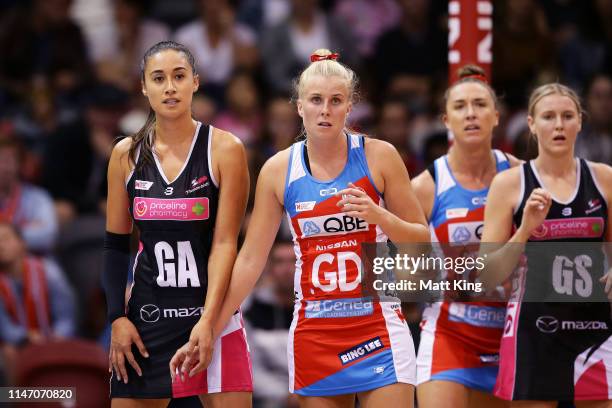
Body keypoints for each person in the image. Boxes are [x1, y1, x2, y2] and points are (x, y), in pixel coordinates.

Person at [170, 48, 430, 408]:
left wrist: (380, 216)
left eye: (336, 100)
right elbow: (250, 260)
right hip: (316, 330)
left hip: (378, 325)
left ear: (350, 107)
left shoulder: (379, 156)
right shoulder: (278, 170)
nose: (326, 109)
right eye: (316, 100)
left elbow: (422, 242)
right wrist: (210, 324)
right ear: (299, 107)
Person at [103, 40, 252, 406]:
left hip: (211, 316)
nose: (169, 86)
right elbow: (114, 244)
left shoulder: (225, 149)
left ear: (195, 82)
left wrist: (209, 320)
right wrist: (116, 319)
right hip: (147, 318)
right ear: (144, 86)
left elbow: (225, 243)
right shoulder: (125, 154)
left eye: (179, 76)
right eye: (158, 78)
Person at [480, 83, 612, 405]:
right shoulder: (509, 184)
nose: (558, 125)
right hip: (534, 326)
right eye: (548, 116)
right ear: (531, 123)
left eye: (567, 116)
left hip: (594, 324)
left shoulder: (604, 178)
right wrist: (524, 229)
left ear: (580, 122)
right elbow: (486, 277)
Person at [411, 65, 521, 408]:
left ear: (496, 117)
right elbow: (393, 268)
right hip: (449, 333)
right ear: (446, 120)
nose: (471, 113)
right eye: (460, 106)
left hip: (509, 334)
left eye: (480, 104)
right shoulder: (427, 186)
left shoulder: (521, 174)